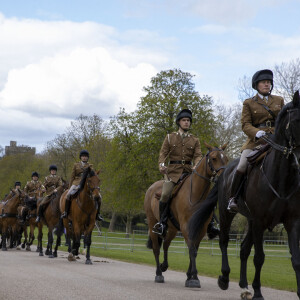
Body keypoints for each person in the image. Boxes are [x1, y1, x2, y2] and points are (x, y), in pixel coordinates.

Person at [153, 109, 219, 237]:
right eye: (184, 120)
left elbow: (198, 155)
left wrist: (197, 164)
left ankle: (211, 224)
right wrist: (161, 165)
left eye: (188, 121)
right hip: (173, 173)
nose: (186, 123)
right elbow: (163, 154)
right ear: (179, 122)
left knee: (208, 195)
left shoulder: (195, 140)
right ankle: (162, 223)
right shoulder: (169, 137)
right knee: (166, 194)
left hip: (189, 172)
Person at [227, 69, 284, 213]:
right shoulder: (249, 103)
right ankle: (233, 198)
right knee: (241, 166)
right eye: (264, 82)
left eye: (269, 82)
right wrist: (256, 132)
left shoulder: (279, 100)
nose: (267, 85)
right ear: (256, 85)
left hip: (276, 139)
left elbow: (283, 121)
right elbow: (245, 124)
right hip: (256, 141)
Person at [61, 150, 103, 221]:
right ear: (80, 157)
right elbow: (72, 176)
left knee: (99, 197)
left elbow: (92, 176)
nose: (84, 158)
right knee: (68, 195)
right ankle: (65, 212)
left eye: (86, 157)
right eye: (83, 156)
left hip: (86, 184)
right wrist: (70, 186)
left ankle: (98, 214)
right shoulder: (76, 165)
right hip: (76, 182)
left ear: (87, 158)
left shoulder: (90, 166)